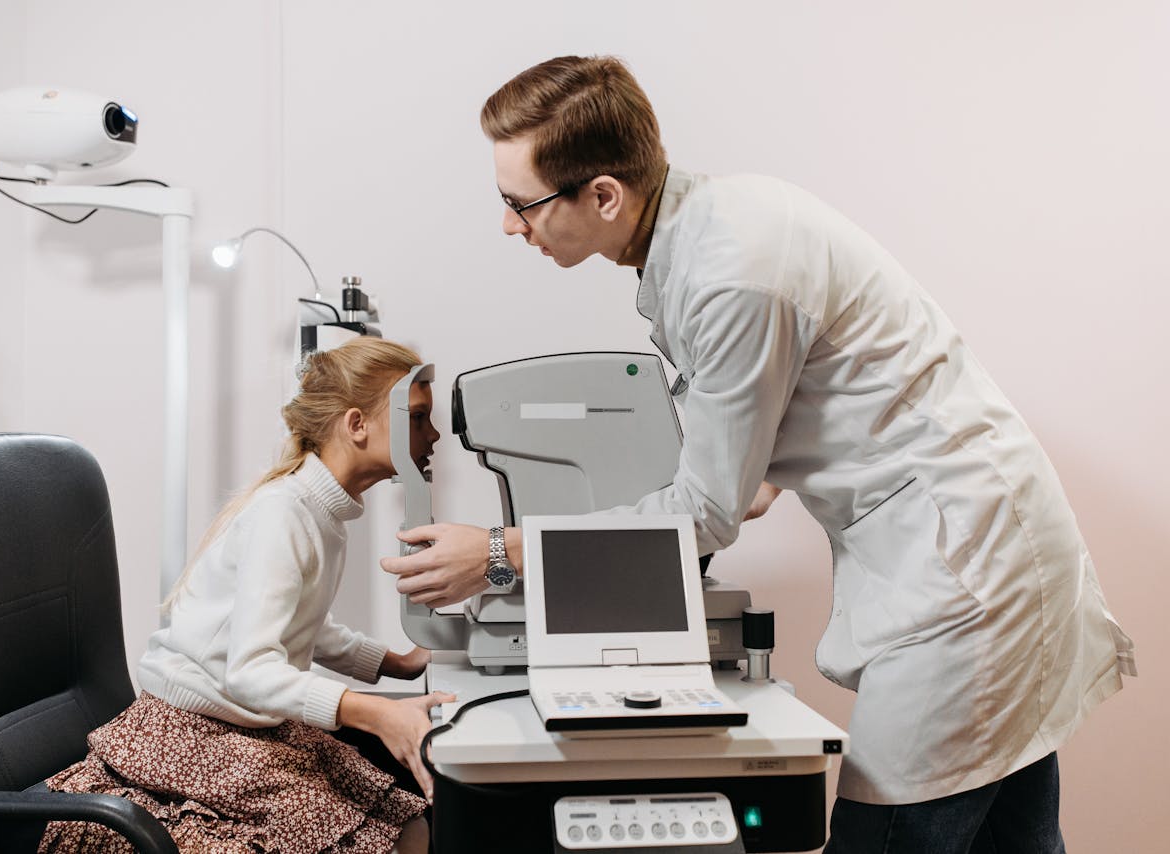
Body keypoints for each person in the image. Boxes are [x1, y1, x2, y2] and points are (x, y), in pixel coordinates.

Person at [380, 55, 1136, 852]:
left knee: (885, 836)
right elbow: (748, 477)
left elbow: (707, 514)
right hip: (982, 547)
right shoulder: (714, 228)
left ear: (602, 194)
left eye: (518, 204)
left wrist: (499, 553)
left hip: (964, 576)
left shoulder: (729, 271)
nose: (509, 226)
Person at [42, 337, 450, 854]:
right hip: (191, 733)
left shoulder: (322, 512)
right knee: (378, 840)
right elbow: (251, 670)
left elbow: (302, 624)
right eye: (416, 418)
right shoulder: (285, 514)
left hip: (245, 724)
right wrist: (374, 712)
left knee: (407, 824)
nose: (434, 434)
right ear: (356, 425)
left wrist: (398, 662)